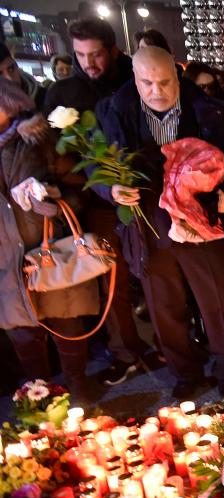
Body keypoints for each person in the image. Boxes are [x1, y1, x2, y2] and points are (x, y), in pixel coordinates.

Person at [95, 46, 224, 399]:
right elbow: (97, 164)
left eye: (165, 81)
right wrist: (111, 188)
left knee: (219, 302)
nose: (156, 90)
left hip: (202, 218)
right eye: (146, 82)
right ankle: (185, 373)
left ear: (178, 75)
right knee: (164, 306)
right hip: (149, 223)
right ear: (134, 78)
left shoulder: (210, 111)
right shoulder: (113, 111)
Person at [43, 18, 151, 387]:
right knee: (113, 281)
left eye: (96, 54)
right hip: (96, 203)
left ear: (113, 50)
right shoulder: (63, 93)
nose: (89, 63)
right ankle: (126, 351)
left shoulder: (134, 81)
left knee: (158, 274)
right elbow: (54, 152)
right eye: (81, 55)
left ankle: (176, 341)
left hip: (144, 196)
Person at [0, 80, 99, 403]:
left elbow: (80, 184)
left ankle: (79, 386)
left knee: (67, 325)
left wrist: (58, 201)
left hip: (49, 250)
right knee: (24, 337)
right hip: (6, 260)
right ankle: (41, 399)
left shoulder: (38, 140)